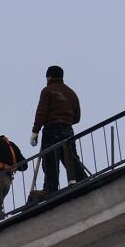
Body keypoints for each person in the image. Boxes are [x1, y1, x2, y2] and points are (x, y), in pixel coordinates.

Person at [30, 65, 89, 193]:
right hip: (68, 129)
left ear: (49, 76)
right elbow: (77, 117)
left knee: (50, 158)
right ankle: (82, 179)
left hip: (52, 129)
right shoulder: (71, 93)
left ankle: (51, 188)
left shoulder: (47, 91)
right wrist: (66, 120)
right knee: (71, 157)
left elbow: (41, 112)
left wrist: (35, 131)